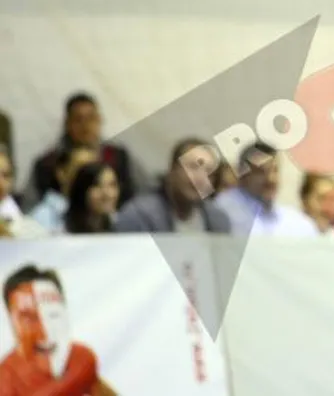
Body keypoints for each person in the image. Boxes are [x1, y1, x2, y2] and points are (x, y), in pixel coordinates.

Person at [0, 264, 117, 395]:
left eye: (52, 315)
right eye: (30, 318)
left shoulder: (80, 361)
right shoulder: (5, 382)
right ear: (11, 321)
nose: (45, 332)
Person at [114, 138, 231, 234]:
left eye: (210, 173)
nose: (201, 178)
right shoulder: (139, 215)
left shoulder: (218, 220)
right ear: (172, 169)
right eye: (193, 167)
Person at [214, 141, 318, 237]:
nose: (270, 179)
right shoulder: (222, 212)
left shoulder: (296, 221)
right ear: (243, 175)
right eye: (260, 172)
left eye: (274, 170)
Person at [62, 163, 120, 235]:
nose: (107, 194)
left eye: (112, 185)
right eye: (97, 185)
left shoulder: (118, 222)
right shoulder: (61, 229)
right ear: (82, 191)